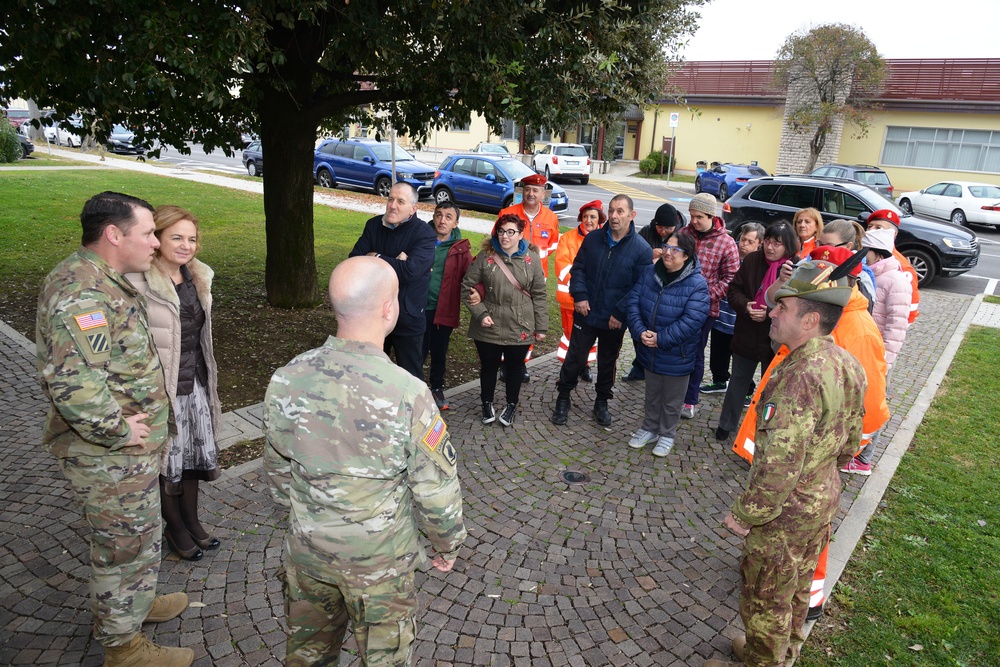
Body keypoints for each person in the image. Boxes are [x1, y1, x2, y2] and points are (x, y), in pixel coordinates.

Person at [263, 256, 467, 667]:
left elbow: (278, 469)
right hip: (379, 565)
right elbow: (433, 486)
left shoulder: (289, 376)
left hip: (308, 553)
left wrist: (307, 517)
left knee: (307, 657)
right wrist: (447, 541)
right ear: (389, 309)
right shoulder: (407, 391)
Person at [36, 192, 194, 666]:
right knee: (121, 545)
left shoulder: (103, 280)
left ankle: (135, 605)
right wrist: (118, 431)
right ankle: (123, 647)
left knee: (138, 536)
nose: (154, 241)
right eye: (147, 233)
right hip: (108, 453)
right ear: (114, 234)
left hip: (128, 452)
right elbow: (73, 383)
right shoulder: (81, 292)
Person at [708, 254, 867, 667]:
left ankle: (764, 659)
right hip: (820, 500)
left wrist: (746, 514)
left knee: (766, 596)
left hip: (785, 514)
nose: (773, 312)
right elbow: (851, 442)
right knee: (795, 589)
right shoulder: (846, 362)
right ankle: (784, 653)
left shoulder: (798, 376)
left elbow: (779, 465)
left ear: (811, 320)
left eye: (783, 307)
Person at [126, 205, 222, 563]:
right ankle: (175, 528)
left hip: (195, 382)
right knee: (169, 462)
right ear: (158, 238)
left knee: (192, 459)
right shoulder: (138, 283)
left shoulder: (198, 277)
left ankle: (192, 522)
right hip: (161, 390)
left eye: (192, 239)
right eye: (176, 237)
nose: (186, 245)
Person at [551, 195, 653, 427]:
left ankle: (601, 402)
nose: (614, 216)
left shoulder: (642, 250)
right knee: (575, 358)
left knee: (608, 361)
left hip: (613, 321)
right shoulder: (594, 238)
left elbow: (639, 288)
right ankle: (563, 397)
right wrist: (580, 296)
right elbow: (578, 269)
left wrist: (620, 313)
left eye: (620, 211)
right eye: (612, 210)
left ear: (631, 215)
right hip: (586, 313)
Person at [625, 231, 709, 457]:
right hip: (649, 350)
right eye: (666, 247)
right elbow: (633, 301)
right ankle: (649, 428)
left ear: (687, 256)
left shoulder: (697, 284)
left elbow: (692, 321)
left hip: (676, 354)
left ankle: (667, 434)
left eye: (675, 249)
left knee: (672, 400)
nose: (668, 253)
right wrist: (640, 331)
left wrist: (660, 339)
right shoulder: (650, 273)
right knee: (652, 393)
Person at [714, 222, 798, 443]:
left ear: (787, 245)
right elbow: (734, 290)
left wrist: (769, 311)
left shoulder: (795, 268)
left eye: (777, 243)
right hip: (747, 333)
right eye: (768, 242)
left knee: (772, 389)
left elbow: (796, 306)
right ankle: (726, 424)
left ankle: (763, 432)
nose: (770, 248)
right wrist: (747, 306)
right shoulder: (752, 260)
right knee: (738, 382)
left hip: (776, 341)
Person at [461, 214, 548, 426]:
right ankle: (486, 402)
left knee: (514, 367)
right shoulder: (485, 257)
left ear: (520, 234)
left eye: (511, 232)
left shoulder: (532, 259)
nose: (505, 236)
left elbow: (539, 293)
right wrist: (481, 314)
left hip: (521, 324)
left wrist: (542, 326)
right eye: (501, 231)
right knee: (489, 366)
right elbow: (466, 287)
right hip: (489, 322)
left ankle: (511, 405)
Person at [349, 182, 436, 379]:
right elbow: (354, 262)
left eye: (400, 201)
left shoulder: (424, 234)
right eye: (390, 198)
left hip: (408, 318)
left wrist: (376, 257)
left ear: (413, 209)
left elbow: (411, 272)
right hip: (373, 316)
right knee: (369, 374)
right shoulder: (373, 225)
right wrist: (396, 263)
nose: (392, 205)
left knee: (410, 377)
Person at [678, 193, 740, 419]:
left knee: (694, 352)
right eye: (691, 215)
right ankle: (672, 392)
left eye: (699, 217)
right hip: (677, 304)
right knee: (673, 349)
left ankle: (689, 399)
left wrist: (706, 296)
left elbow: (731, 278)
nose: (693, 221)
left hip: (705, 309)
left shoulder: (726, 242)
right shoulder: (683, 234)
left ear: (712, 216)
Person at [497, 172, 560, 383]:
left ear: (543, 193)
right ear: (522, 192)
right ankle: (506, 364)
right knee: (507, 317)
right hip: (509, 275)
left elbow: (552, 246)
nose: (531, 194)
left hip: (536, 278)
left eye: (535, 190)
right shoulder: (507, 213)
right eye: (527, 190)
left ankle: (521, 362)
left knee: (528, 320)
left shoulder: (551, 218)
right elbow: (495, 241)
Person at [625, 202, 685, 382]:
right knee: (640, 331)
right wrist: (650, 253)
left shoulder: (683, 235)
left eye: (668, 228)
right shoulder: (646, 232)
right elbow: (634, 256)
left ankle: (656, 371)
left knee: (662, 333)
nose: (663, 232)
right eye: (660, 227)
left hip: (670, 294)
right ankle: (639, 367)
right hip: (647, 289)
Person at [702, 222, 765, 395]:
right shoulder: (730, 254)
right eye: (743, 239)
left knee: (740, 359)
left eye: (750, 241)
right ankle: (719, 380)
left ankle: (747, 389)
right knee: (717, 353)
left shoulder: (758, 264)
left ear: (759, 244)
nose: (744, 244)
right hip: (721, 316)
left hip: (741, 321)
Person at [422, 201, 472, 410]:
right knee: (416, 350)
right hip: (417, 307)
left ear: (456, 223)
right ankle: (412, 388)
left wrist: (476, 293)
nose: (442, 220)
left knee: (439, 350)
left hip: (443, 309)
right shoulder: (420, 238)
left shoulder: (460, 250)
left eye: (448, 217)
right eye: (439, 215)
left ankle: (437, 387)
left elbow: (471, 277)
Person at [556, 200, 605, 381]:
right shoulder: (568, 238)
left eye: (593, 216)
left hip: (595, 302)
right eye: (585, 216)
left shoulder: (605, 239)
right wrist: (583, 288)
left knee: (590, 337)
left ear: (600, 219)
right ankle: (568, 368)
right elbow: (562, 267)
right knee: (570, 336)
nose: (588, 220)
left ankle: (584, 366)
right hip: (570, 299)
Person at [863, 227, 911, 374]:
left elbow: (897, 326)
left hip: (878, 354)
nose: (863, 255)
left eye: (866, 251)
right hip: (865, 346)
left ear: (879, 254)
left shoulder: (896, 281)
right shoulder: (867, 274)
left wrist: (885, 362)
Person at [867, 208, 921, 323]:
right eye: (869, 226)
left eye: (878, 228)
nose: (871, 230)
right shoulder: (863, 255)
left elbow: (910, 309)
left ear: (893, 234)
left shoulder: (902, 267)